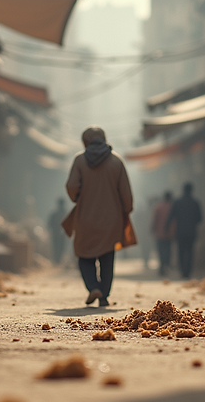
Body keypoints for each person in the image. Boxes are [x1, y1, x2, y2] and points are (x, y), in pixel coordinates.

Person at [63, 126, 133, 307]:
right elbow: (126, 193)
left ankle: (93, 286)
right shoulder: (116, 162)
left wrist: (78, 197)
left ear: (85, 142)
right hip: (112, 219)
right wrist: (127, 210)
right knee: (107, 258)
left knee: (84, 256)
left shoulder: (79, 160)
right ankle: (103, 296)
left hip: (85, 217)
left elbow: (71, 186)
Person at [167, 182, 202, 279]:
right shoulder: (195, 203)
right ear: (192, 190)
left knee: (181, 251)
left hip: (180, 232)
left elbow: (171, 216)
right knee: (190, 252)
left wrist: (167, 226)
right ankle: (188, 271)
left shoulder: (177, 202)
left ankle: (182, 271)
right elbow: (200, 218)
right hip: (191, 232)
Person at [151, 191, 175, 276]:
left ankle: (162, 266)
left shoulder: (158, 206)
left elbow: (155, 219)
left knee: (161, 250)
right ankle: (166, 265)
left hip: (159, 232)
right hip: (170, 233)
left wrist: (153, 229)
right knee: (168, 250)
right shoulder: (172, 207)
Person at [47, 197, 68, 264]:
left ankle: (57, 260)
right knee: (60, 247)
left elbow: (50, 224)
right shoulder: (66, 213)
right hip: (61, 234)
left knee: (57, 246)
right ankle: (57, 260)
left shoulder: (55, 214)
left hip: (58, 233)